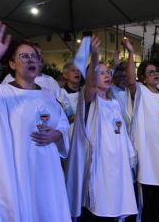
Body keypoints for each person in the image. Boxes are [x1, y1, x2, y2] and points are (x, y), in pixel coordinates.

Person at [0, 21, 71, 221]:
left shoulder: (49, 94)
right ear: (12, 64)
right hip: (19, 173)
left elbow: (63, 124)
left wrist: (57, 134)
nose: (31, 59)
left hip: (48, 172)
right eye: (24, 56)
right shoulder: (2, 93)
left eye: (34, 56)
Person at [65, 35, 137, 221]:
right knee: (99, 212)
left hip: (117, 167)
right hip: (100, 169)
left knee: (117, 209)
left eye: (107, 72)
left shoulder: (113, 102)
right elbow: (89, 84)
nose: (106, 75)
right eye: (100, 72)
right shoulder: (89, 101)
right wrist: (95, 55)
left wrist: (130, 53)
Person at [125, 39, 159, 222]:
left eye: (156, 71)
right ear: (143, 78)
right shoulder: (140, 91)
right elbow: (130, 80)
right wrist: (131, 53)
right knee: (148, 196)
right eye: (150, 72)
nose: (155, 74)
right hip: (148, 153)